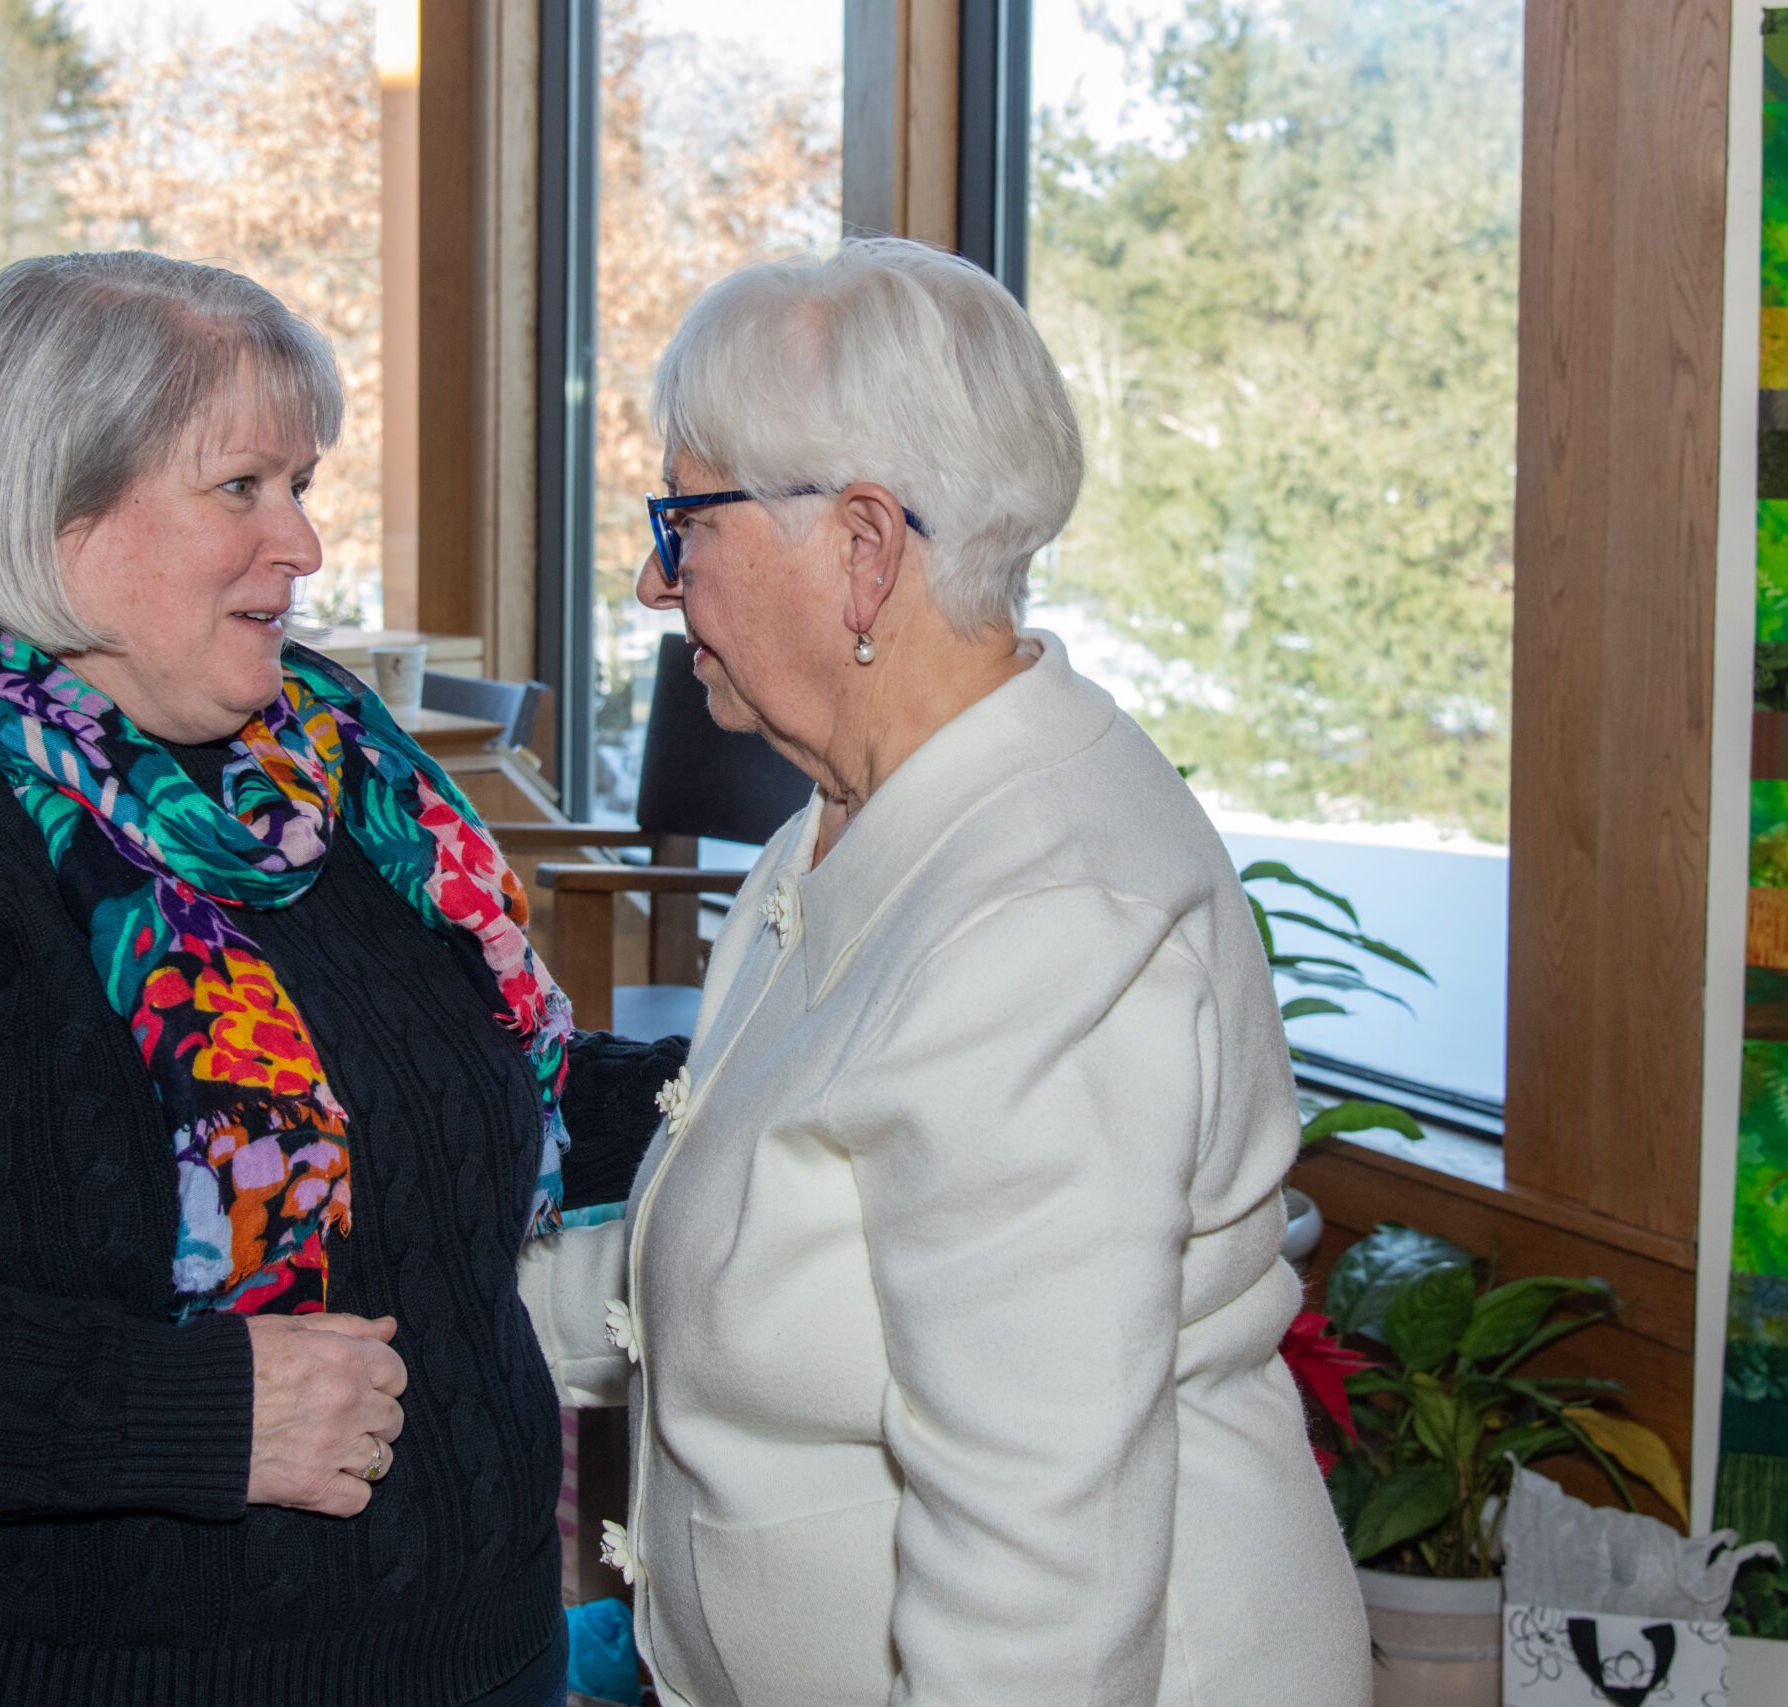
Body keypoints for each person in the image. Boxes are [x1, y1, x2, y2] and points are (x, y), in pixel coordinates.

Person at [0, 251, 681, 1707]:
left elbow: (443, 1096)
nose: (304, 543)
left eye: (301, 483)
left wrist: (747, 1084)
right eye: (241, 488)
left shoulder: (323, 773)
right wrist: (183, 1412)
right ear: (52, 511)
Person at [520, 237, 1372, 1705]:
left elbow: (1036, 1598)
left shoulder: (1045, 924)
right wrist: (430, 1319)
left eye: (685, 519)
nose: (657, 580)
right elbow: (752, 1251)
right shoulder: (857, 818)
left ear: (863, 546)